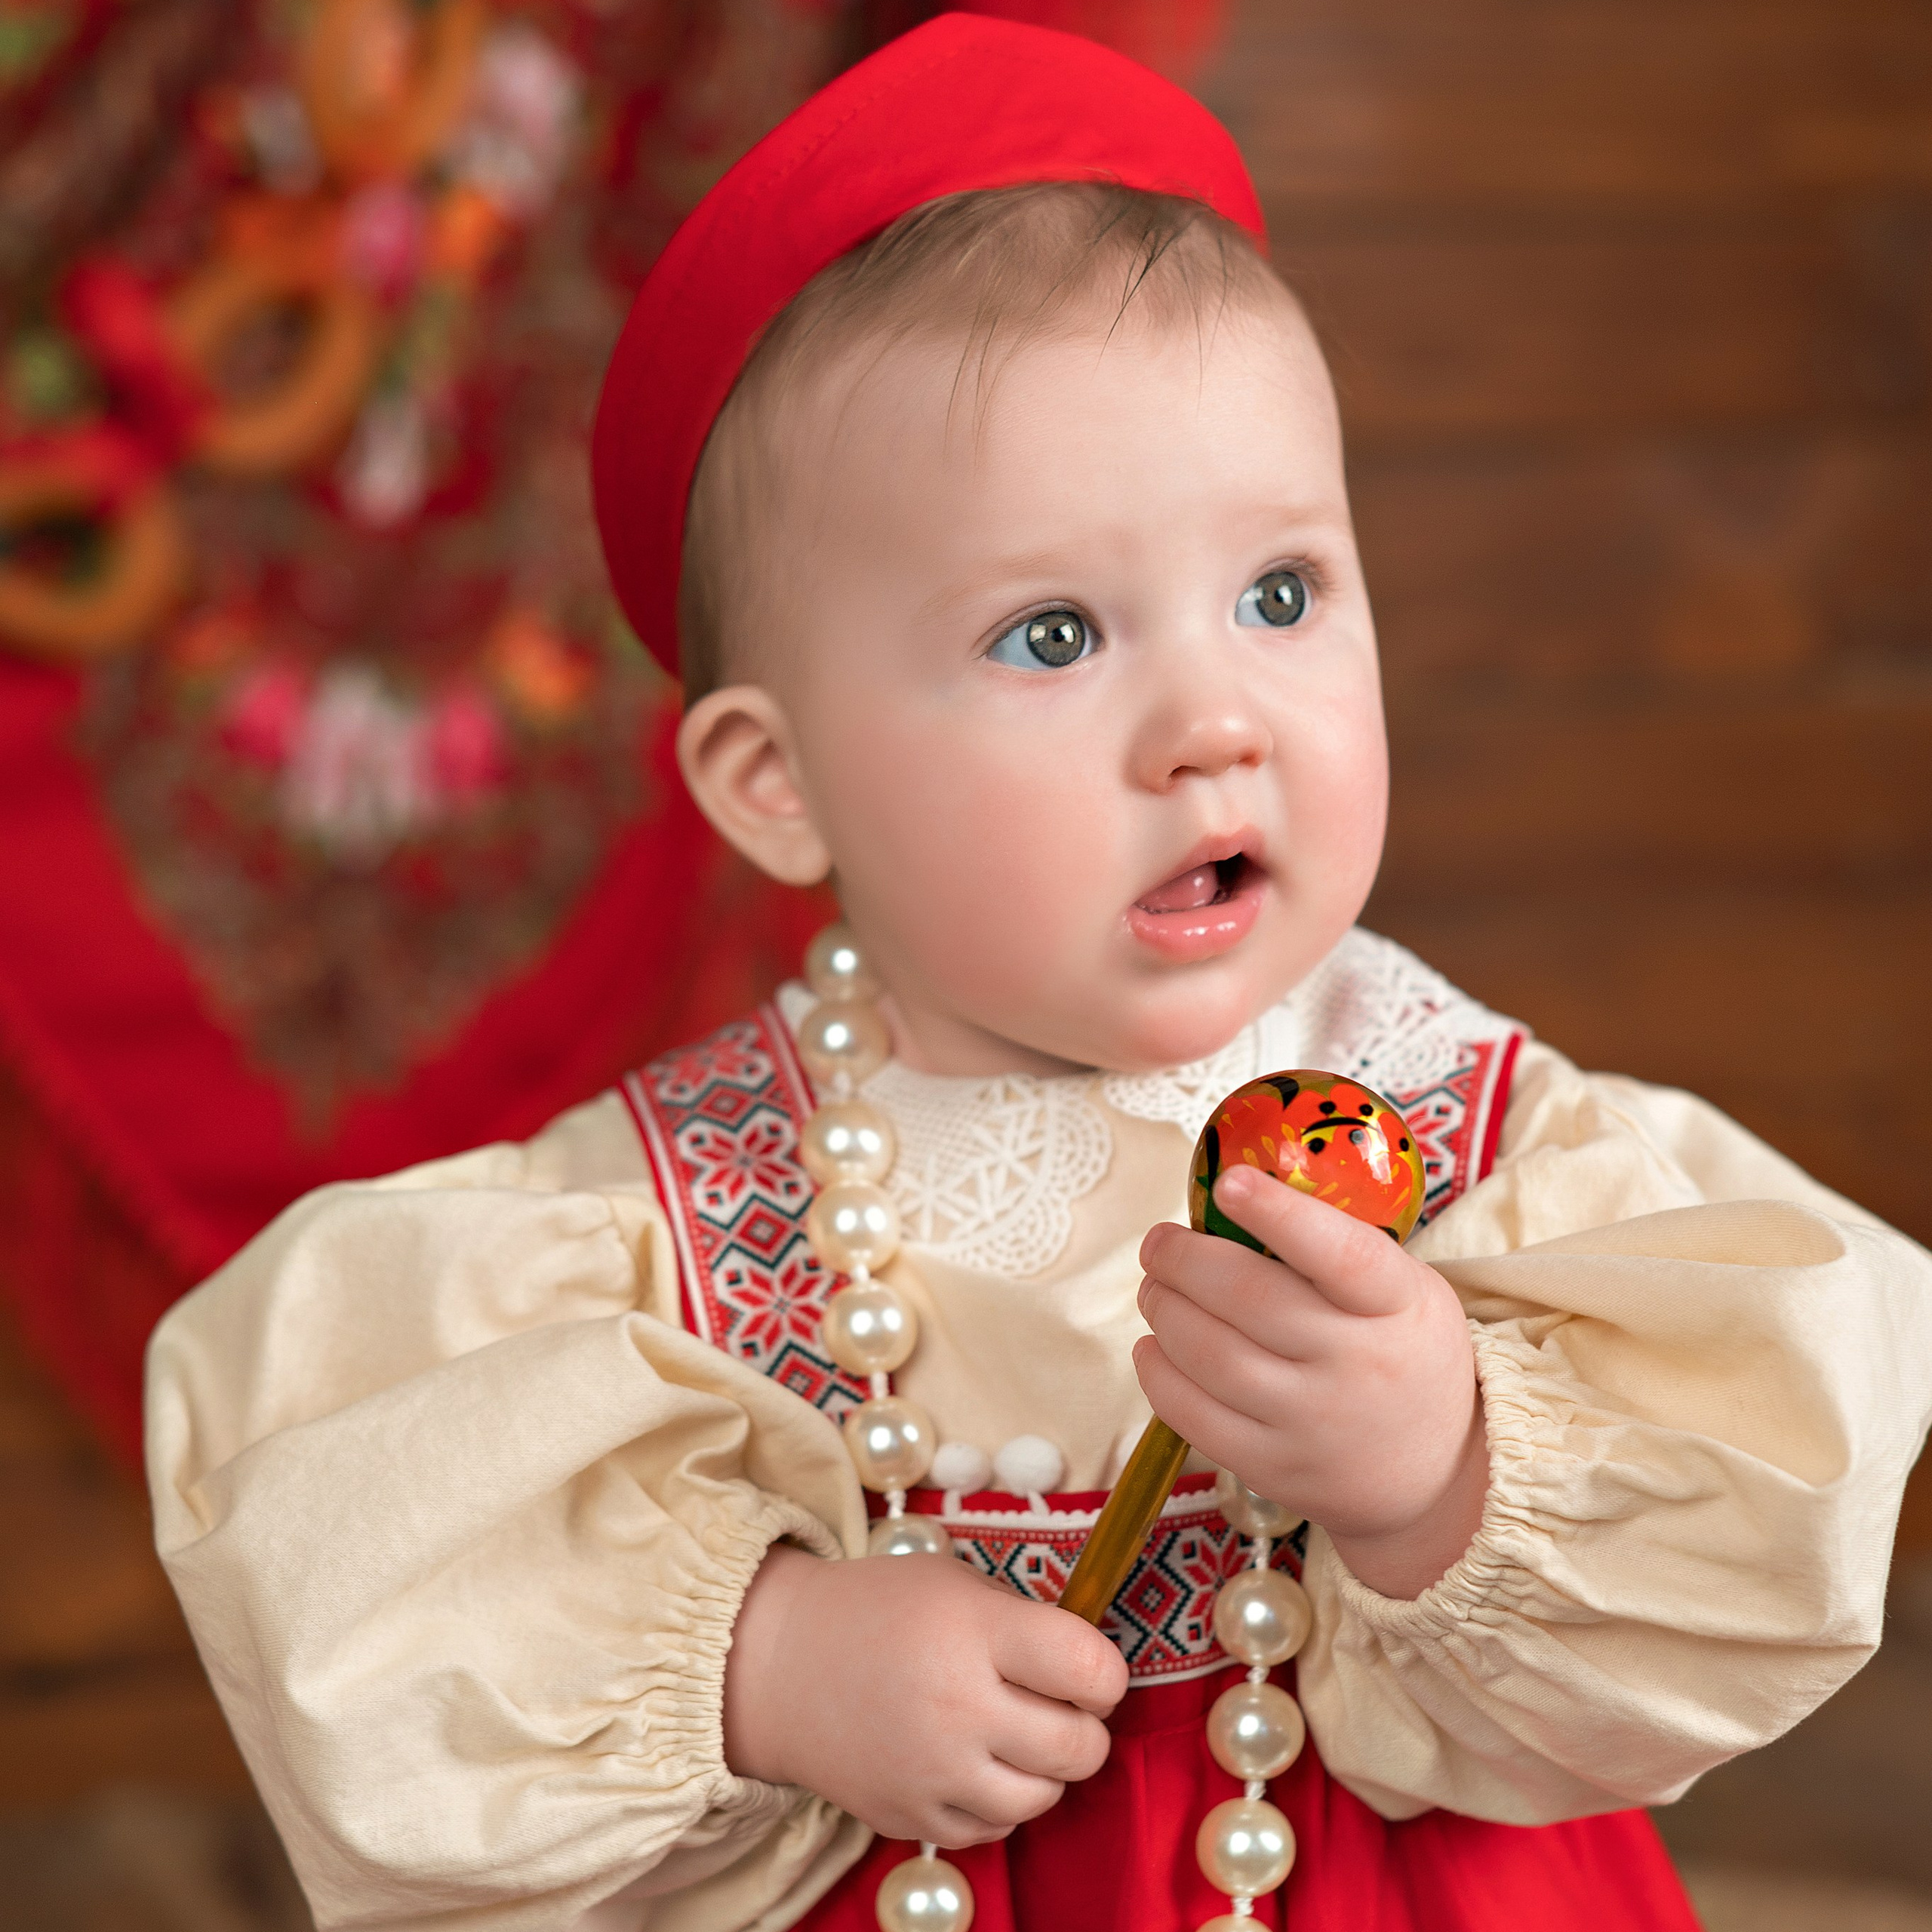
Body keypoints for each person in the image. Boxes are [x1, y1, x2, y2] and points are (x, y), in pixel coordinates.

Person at [145, 17, 1932, 1932]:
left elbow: (1733, 1524)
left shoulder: (1466, 1131)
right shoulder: (683, 1213)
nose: (1212, 721)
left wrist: (1440, 1466)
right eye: (1054, 633)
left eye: (1277, 593)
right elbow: (374, 1568)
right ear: (778, 783)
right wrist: (765, 1655)